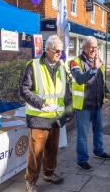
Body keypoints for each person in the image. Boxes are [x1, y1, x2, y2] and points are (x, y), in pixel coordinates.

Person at [20, 35, 70, 192]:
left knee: (52, 150)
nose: (59, 54)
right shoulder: (33, 65)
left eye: (61, 51)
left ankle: (49, 174)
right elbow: (24, 90)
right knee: (36, 153)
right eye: (57, 51)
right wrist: (41, 104)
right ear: (47, 50)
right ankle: (30, 180)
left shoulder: (62, 66)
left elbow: (66, 91)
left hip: (55, 118)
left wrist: (68, 111)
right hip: (39, 117)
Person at [70, 36, 110, 171]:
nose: (94, 49)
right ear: (84, 48)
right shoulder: (75, 62)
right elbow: (79, 79)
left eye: (96, 47)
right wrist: (94, 68)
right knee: (83, 135)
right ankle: (82, 160)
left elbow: (101, 80)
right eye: (91, 47)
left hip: (97, 103)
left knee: (99, 130)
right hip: (83, 106)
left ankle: (98, 151)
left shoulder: (98, 61)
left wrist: (106, 93)